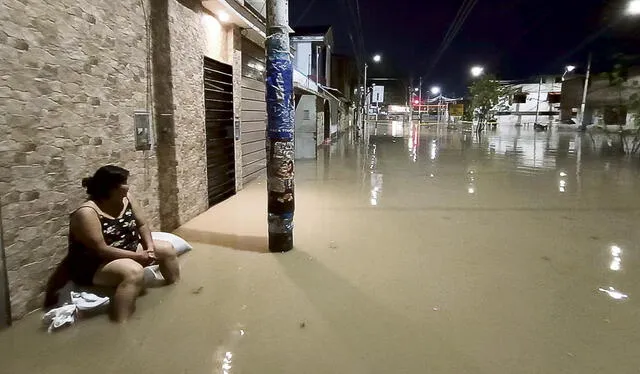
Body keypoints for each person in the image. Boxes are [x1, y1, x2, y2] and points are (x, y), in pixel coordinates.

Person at [67, 165, 180, 322]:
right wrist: (137, 257)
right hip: (97, 263)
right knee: (133, 272)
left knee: (167, 250)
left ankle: (176, 290)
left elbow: (142, 224)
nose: (128, 186)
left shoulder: (127, 199)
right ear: (112, 188)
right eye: (124, 183)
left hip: (129, 247)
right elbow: (102, 249)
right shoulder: (87, 212)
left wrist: (150, 249)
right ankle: (122, 322)